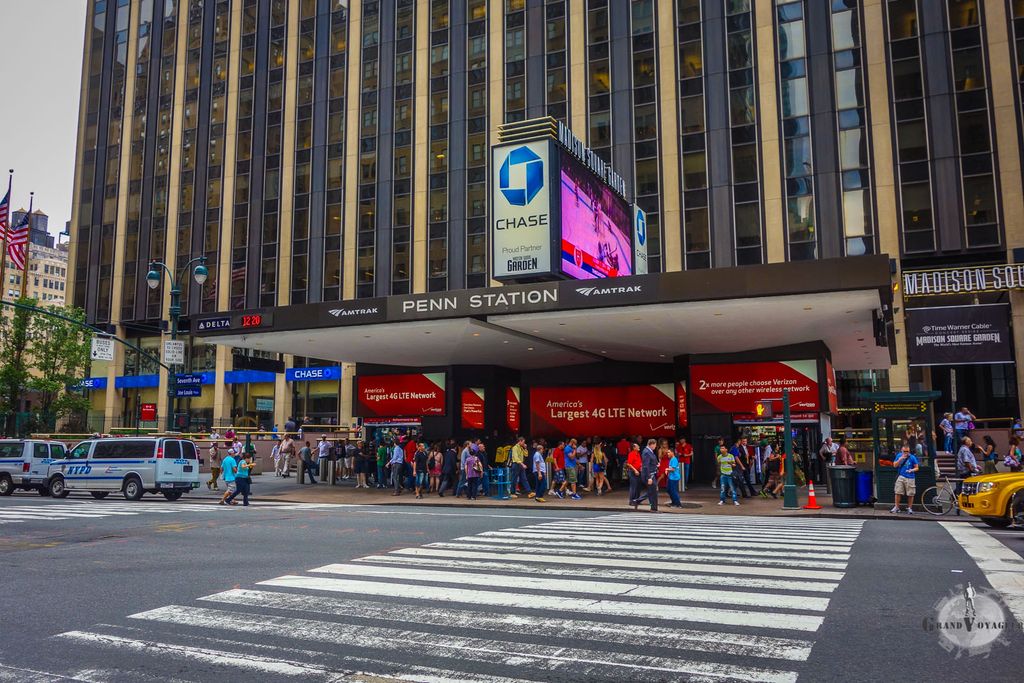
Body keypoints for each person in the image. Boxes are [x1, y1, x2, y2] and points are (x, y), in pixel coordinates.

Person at [631, 439, 660, 512]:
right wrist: (649, 477)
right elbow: (646, 466)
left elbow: (651, 462)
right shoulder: (646, 452)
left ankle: (652, 507)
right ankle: (638, 501)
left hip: (651, 474)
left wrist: (656, 464)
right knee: (653, 491)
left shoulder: (649, 451)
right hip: (649, 475)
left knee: (653, 491)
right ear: (652, 444)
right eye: (655, 445)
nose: (655, 447)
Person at [890, 444, 919, 514]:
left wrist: (911, 470)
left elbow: (917, 467)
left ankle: (909, 508)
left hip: (910, 477)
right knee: (897, 492)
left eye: (907, 451)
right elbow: (894, 465)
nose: (906, 453)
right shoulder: (899, 456)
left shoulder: (912, 457)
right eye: (904, 451)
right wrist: (900, 459)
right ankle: (896, 507)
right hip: (901, 476)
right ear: (901, 451)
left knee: (910, 494)